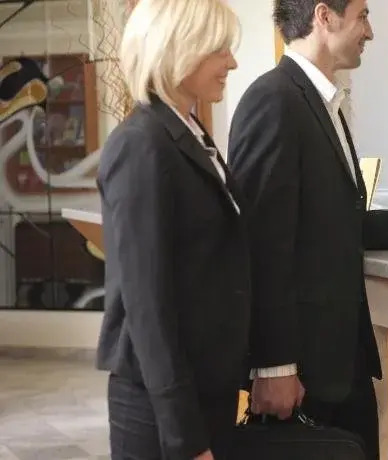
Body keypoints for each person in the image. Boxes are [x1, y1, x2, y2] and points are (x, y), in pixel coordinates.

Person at [226, 1, 388, 458]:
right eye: (363, 16)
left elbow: (337, 221)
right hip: (300, 373)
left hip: (339, 366)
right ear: (324, 16)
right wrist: (273, 365)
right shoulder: (273, 100)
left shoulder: (326, 103)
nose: (370, 32)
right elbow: (261, 245)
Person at [95, 0, 246, 458]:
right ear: (181, 48)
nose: (232, 63)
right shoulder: (141, 144)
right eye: (221, 49)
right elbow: (148, 306)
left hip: (205, 389)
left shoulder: (189, 133)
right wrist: (185, 438)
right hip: (162, 407)